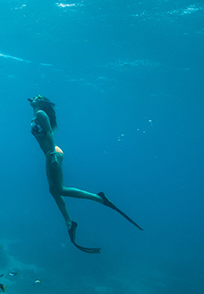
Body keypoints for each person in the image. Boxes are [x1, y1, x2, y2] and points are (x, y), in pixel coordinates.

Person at [28, 95, 143, 253]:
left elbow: (49, 133)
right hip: (49, 154)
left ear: (42, 102)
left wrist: (53, 156)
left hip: (52, 154)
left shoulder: (41, 113)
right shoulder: (37, 112)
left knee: (60, 189)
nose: (34, 97)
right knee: (52, 190)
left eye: (38, 97)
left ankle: (100, 198)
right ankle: (69, 223)